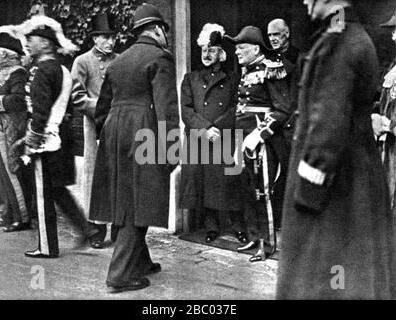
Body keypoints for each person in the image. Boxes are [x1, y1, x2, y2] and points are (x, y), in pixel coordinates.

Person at [277, 0, 396, 299]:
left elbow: (327, 126)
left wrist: (306, 195)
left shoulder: (337, 42)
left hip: (335, 190)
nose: (305, 1)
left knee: (326, 281)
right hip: (355, 181)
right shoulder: (353, 35)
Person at [89, 3, 180, 293]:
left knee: (126, 194)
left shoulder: (117, 62)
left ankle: (141, 262)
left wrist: (112, 132)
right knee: (141, 200)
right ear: (156, 30)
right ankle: (119, 275)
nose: (166, 35)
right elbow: (167, 109)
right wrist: (172, 150)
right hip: (143, 130)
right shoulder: (160, 58)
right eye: (165, 30)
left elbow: (101, 109)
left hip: (115, 131)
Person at [18, 15, 94, 258]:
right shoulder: (61, 69)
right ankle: (87, 228)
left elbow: (39, 112)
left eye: (34, 39)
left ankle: (47, 247)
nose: (28, 43)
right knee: (57, 189)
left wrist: (31, 142)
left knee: (43, 194)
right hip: (62, 136)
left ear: (47, 44)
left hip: (45, 140)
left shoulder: (40, 72)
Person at [226, 26, 292, 262]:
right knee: (247, 189)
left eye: (241, 48)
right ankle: (255, 237)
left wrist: (259, 134)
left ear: (255, 48)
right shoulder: (247, 70)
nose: (237, 53)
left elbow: (283, 109)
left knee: (263, 192)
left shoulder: (271, 70)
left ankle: (268, 244)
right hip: (243, 139)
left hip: (262, 142)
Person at [180, 23, 248, 245]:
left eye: (211, 50)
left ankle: (238, 226)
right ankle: (211, 226)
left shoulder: (232, 79)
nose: (206, 55)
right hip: (201, 139)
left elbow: (237, 107)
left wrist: (219, 127)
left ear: (221, 53)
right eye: (203, 50)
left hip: (225, 138)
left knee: (230, 183)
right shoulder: (190, 79)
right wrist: (205, 129)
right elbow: (186, 110)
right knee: (206, 184)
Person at [71, 13, 119, 249]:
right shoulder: (82, 61)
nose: (110, 42)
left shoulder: (120, 60)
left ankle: (118, 228)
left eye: (113, 37)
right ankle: (97, 228)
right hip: (95, 127)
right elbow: (77, 97)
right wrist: (102, 108)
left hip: (118, 125)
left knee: (117, 176)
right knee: (95, 179)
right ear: (95, 38)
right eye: (105, 37)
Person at [0, 26, 31, 232]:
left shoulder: (18, 73)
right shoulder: (1, 73)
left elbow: (18, 100)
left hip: (10, 130)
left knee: (12, 172)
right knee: (1, 174)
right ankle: (8, 213)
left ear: (5, 53)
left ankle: (22, 216)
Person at [371, 9, 396, 216]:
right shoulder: (393, 67)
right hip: (390, 147)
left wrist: (390, 125)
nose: (393, 36)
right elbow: (384, 101)